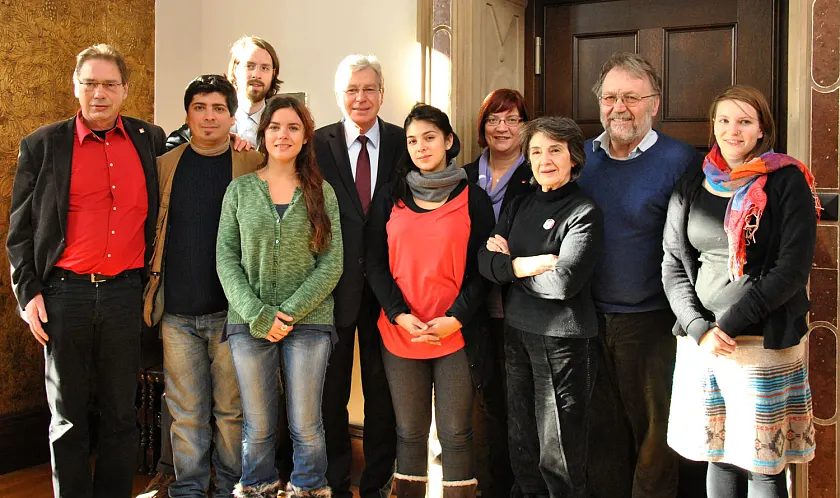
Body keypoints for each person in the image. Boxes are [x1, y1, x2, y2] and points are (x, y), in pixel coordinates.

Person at [6, 43, 167, 498]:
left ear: (125, 90)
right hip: (63, 295)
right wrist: (27, 293)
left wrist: (235, 137)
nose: (100, 93)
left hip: (124, 296)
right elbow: (20, 230)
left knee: (120, 414)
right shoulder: (43, 144)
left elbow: (198, 147)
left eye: (109, 84)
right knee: (68, 416)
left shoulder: (148, 139)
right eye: (90, 83)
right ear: (76, 87)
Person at [662, 85, 818, 498]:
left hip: (762, 344)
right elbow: (673, 262)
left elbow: (791, 269)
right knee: (719, 455)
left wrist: (726, 325)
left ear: (762, 129)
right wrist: (699, 328)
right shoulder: (692, 183)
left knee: (762, 465)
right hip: (705, 345)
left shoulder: (787, 181)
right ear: (713, 125)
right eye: (725, 120)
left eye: (745, 121)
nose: (733, 130)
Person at [577, 52, 702, 498]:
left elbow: (696, 243)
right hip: (586, 320)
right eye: (610, 97)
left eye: (632, 97)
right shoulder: (583, 159)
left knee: (656, 438)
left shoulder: (681, 160)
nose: (619, 107)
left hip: (653, 322)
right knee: (600, 434)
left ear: (655, 102)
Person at [142, 74, 264, 497]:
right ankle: (189, 488)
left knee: (232, 413)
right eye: (200, 108)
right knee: (187, 412)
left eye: (218, 109)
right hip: (176, 312)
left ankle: (233, 487)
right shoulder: (165, 166)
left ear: (232, 117)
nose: (209, 117)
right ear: (188, 114)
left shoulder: (253, 163)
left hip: (232, 313)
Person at [365, 103, 495, 498]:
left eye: (429, 137)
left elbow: (483, 270)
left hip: (455, 333)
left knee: (456, 433)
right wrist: (399, 314)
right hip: (401, 332)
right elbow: (374, 263)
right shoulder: (390, 195)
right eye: (412, 140)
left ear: (448, 141)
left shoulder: (474, 198)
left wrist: (455, 318)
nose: (421, 147)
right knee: (409, 432)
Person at [216, 96, 343, 498]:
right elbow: (225, 258)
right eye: (275, 127)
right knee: (257, 423)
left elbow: (332, 263)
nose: (282, 135)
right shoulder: (238, 191)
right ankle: (257, 486)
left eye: (292, 128)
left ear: (305, 137)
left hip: (310, 323)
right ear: (263, 133)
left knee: (306, 423)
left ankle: (308, 488)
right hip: (248, 322)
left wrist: (286, 313)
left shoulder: (322, 192)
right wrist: (257, 314)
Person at [478, 116, 603, 498]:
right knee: (522, 441)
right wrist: (525, 264)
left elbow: (564, 282)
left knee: (559, 451)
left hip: (563, 342)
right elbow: (486, 262)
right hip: (517, 332)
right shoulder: (519, 204)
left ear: (573, 158)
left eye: (554, 150)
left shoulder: (584, 212)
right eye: (535, 151)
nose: (544, 159)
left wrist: (509, 268)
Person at [314, 54, 402, 498]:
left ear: (382, 94)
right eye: (352, 89)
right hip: (330, 290)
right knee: (329, 396)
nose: (361, 97)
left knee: (382, 395)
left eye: (369, 89)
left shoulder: (406, 142)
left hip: (389, 290)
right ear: (338, 96)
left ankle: (377, 483)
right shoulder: (315, 144)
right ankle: (334, 481)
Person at [463, 88, 531, 497]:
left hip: (520, 304)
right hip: (471, 304)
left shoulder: (538, 171)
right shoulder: (466, 174)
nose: (502, 128)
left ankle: (516, 486)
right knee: (479, 402)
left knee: (516, 402)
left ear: (525, 126)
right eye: (493, 119)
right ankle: (486, 485)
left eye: (512, 119)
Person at [166, 35, 283, 150]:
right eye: (250, 66)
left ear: (273, 73)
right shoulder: (202, 123)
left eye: (265, 68)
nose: (257, 75)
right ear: (235, 69)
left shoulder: (283, 123)